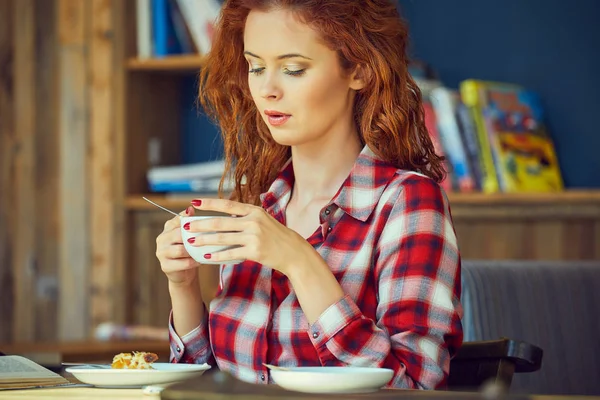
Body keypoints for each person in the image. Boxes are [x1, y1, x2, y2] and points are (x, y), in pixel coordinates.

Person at [156, 0, 463, 390]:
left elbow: (415, 387)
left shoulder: (408, 204)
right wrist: (182, 287)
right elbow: (215, 383)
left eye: (293, 69)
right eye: (256, 67)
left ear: (360, 70)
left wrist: (300, 262)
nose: (267, 90)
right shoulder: (257, 204)